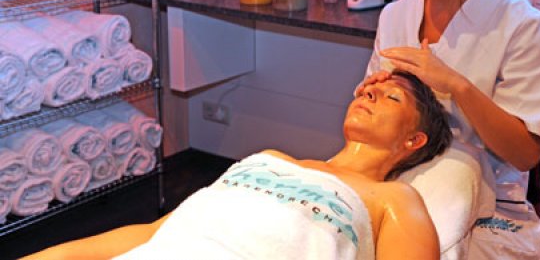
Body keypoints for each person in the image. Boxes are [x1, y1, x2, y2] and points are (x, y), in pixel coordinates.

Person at [23, 71, 452, 260]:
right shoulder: (269, 159)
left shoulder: (392, 198)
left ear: (414, 141)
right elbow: (155, 233)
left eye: (391, 97)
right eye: (368, 91)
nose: (369, 93)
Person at [357, 0, 540, 259]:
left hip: (490, 202)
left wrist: (457, 86)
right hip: (399, 185)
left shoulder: (518, 24)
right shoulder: (396, 16)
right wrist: (372, 98)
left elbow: (524, 154)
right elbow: (373, 129)